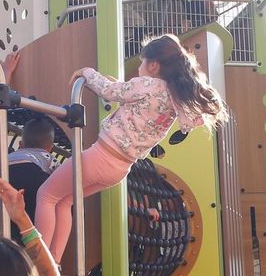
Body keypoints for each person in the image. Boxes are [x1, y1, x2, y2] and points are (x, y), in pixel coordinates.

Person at [35, 34, 225, 260]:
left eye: (142, 63)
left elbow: (108, 91)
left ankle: (38, 263)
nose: (139, 68)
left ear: (153, 65)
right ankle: (53, 263)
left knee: (46, 195)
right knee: (65, 200)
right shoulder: (173, 99)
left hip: (100, 157)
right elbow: (128, 97)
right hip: (119, 170)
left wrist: (87, 72)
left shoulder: (147, 84)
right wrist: (115, 84)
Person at [2, 115, 57, 228]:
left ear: (21, 145)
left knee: (12, 205)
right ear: (50, 148)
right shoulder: (48, 156)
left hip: (7, 172)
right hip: (34, 174)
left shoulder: (9, 156)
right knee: (39, 203)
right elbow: (58, 173)